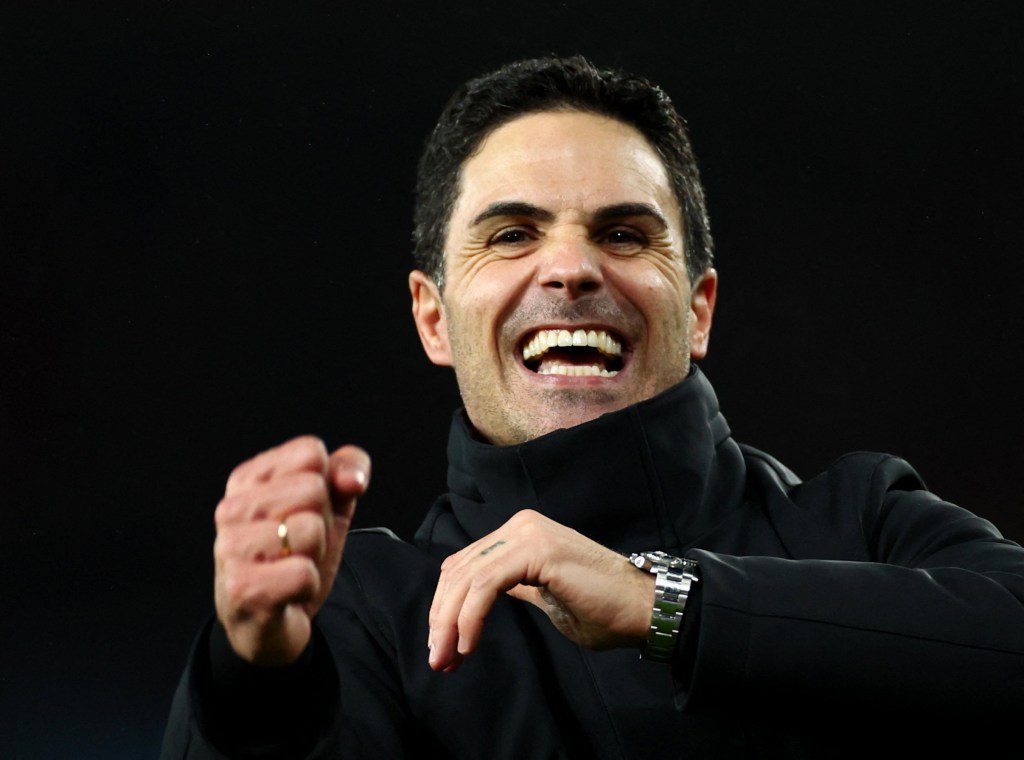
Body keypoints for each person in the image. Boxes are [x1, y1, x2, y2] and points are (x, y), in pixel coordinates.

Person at [161, 56, 1024, 759]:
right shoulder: (367, 613)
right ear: (434, 317)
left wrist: (667, 604)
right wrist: (254, 685)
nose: (570, 270)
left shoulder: (866, 521)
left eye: (621, 234)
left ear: (698, 310)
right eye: (511, 235)